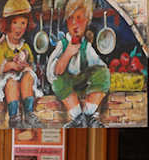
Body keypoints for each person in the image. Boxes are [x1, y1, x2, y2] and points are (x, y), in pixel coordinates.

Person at [46, 0, 110, 128]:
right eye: (70, 18)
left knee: (104, 73)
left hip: (84, 84)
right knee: (58, 80)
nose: (74, 23)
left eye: (79, 18)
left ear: (87, 21)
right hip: (67, 84)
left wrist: (99, 74)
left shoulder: (87, 46)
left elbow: (99, 68)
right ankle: (77, 116)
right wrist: (67, 53)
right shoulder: (62, 44)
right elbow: (55, 72)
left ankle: (87, 115)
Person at [0, 0, 42, 128]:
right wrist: (11, 65)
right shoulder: (3, 46)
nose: (19, 27)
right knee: (12, 83)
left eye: (23, 23)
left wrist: (25, 65)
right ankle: (14, 117)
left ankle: (29, 113)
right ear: (8, 25)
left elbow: (32, 65)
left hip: (22, 77)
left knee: (28, 77)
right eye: (15, 23)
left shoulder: (24, 45)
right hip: (7, 78)